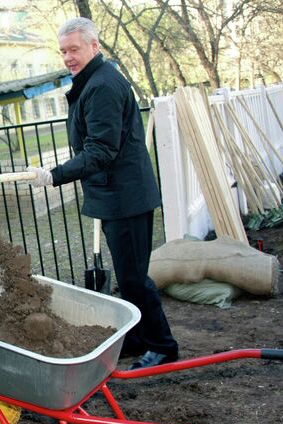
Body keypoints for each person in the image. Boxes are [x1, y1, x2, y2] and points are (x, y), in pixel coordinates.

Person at [27, 17, 178, 370]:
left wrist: (53, 175)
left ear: (94, 47)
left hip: (125, 197)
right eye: (63, 51)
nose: (67, 57)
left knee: (134, 278)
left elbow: (100, 151)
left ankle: (163, 345)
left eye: (74, 49)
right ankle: (139, 338)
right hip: (116, 195)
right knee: (128, 277)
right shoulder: (93, 82)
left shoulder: (103, 86)